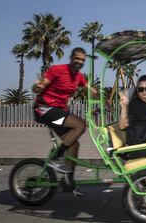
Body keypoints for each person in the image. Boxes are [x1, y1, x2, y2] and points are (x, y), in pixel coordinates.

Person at [32, 47, 99, 191]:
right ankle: (58, 156)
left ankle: (67, 178)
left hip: (58, 112)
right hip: (44, 108)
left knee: (74, 145)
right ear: (71, 58)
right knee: (80, 125)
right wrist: (37, 86)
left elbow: (90, 89)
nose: (79, 62)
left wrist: (97, 95)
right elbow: (41, 84)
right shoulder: (57, 69)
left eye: (82, 60)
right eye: (77, 58)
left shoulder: (79, 77)